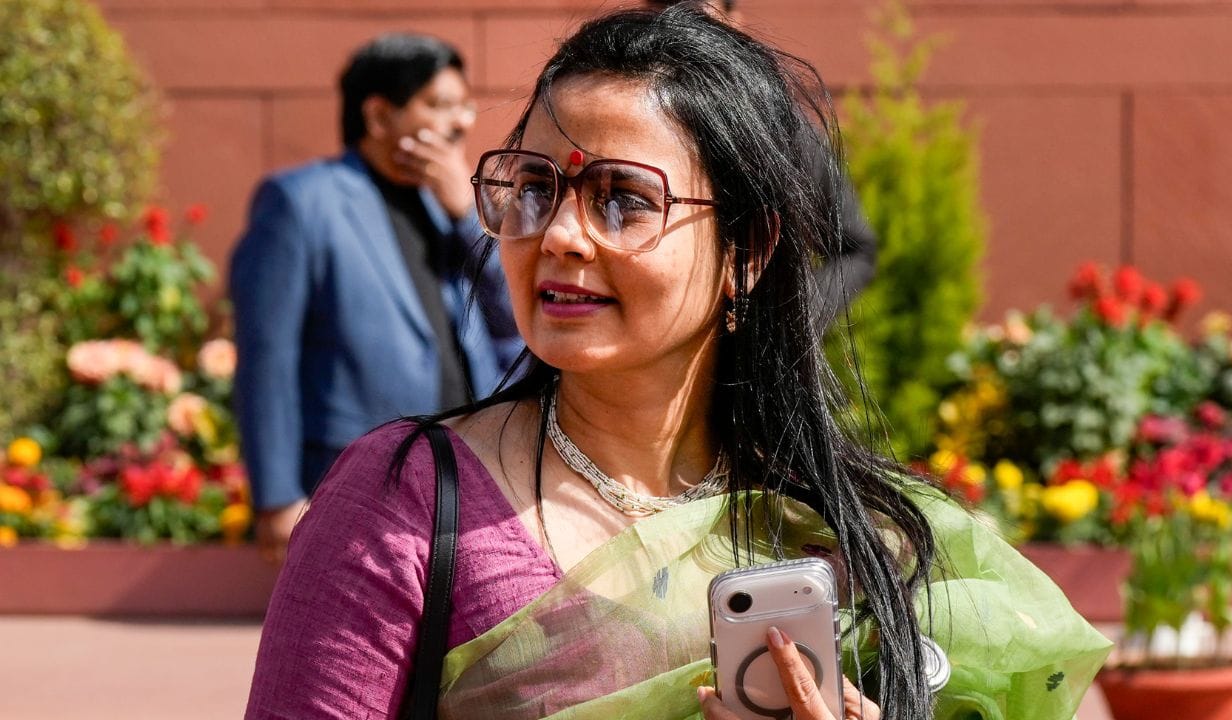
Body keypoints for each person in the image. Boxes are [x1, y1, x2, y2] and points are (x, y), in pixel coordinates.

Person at [246, 7, 1110, 720]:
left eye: (622, 198)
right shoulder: (401, 506)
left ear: (748, 249)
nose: (561, 235)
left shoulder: (836, 533)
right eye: (537, 187)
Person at [230, 33, 521, 563]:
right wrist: (276, 498)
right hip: (352, 480)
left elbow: (511, 315)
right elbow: (268, 356)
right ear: (380, 116)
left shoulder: (449, 205)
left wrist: (469, 216)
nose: (461, 122)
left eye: (464, 105)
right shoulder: (302, 202)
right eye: (439, 105)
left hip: (466, 474)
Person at [643, 0, 880, 329]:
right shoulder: (610, 120)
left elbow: (854, 248)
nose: (674, 23)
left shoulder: (779, 127)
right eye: (661, 10)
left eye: (693, 10)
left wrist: (789, 318)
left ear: (733, 21)